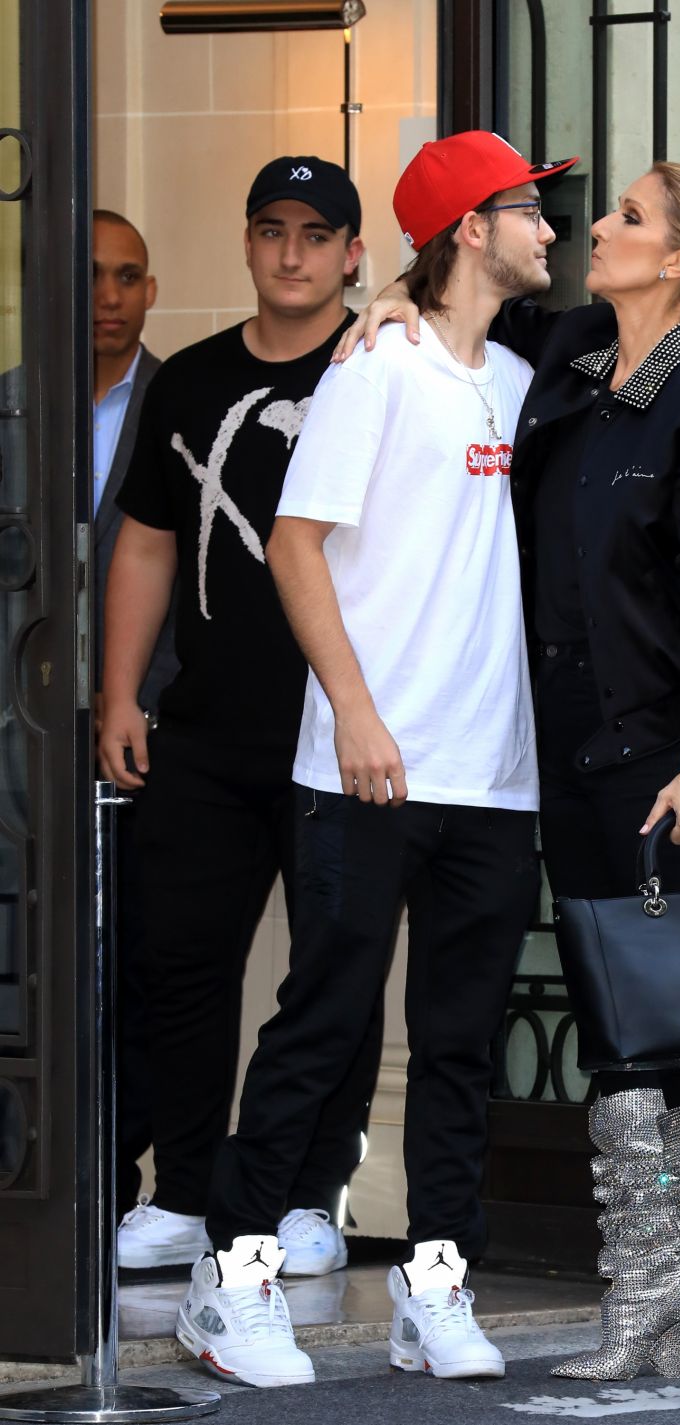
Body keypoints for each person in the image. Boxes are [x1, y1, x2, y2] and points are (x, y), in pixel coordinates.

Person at [342, 159, 680, 1411]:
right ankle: (639, 1317)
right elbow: (454, 289)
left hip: (654, 772)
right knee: (614, 1052)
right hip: (556, 762)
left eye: (628, 218)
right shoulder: (576, 353)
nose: (597, 227)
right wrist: (380, 299)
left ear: (679, 258)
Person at [175, 130, 577, 1391]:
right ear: (472, 226)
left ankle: (435, 1287)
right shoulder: (375, 372)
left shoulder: (514, 381)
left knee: (457, 1043)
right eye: (529, 211)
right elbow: (294, 545)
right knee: (321, 1022)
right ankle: (226, 1284)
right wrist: (351, 710)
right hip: (365, 768)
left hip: (493, 780)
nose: (549, 232)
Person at [99, 157, 383, 1278]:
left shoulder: (381, 369)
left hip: (340, 736)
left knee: (331, 974)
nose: (294, 253)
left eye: (319, 234)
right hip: (206, 733)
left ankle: (311, 1197)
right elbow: (147, 540)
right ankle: (180, 1194)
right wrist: (121, 691)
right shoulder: (193, 382)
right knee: (182, 964)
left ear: (353, 252)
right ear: (249, 243)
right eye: (273, 230)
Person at [92, 209, 177, 1216]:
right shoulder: (12, 408)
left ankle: (120, 1179)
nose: (107, 298)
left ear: (151, 291)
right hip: (24, 747)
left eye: (126, 278)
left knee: (147, 964)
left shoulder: (181, 402)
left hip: (156, 732)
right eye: (91, 278)